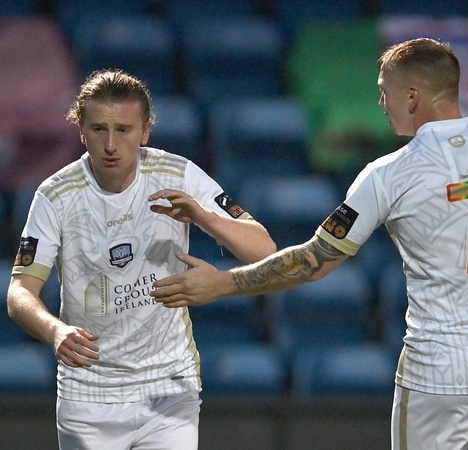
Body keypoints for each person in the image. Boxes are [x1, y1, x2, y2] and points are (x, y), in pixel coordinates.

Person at [150, 38, 468, 450]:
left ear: (412, 96)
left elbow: (313, 263)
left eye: (384, 92)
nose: (381, 104)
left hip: (439, 373)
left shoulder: (388, 174)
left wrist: (224, 283)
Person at [6, 69, 276, 450]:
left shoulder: (177, 173)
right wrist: (55, 331)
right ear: (81, 131)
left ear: (146, 131)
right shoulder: (55, 195)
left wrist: (203, 216)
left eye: (124, 129)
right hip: (89, 394)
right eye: (99, 129)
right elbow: (20, 292)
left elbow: (264, 250)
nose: (111, 144)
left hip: (169, 386)